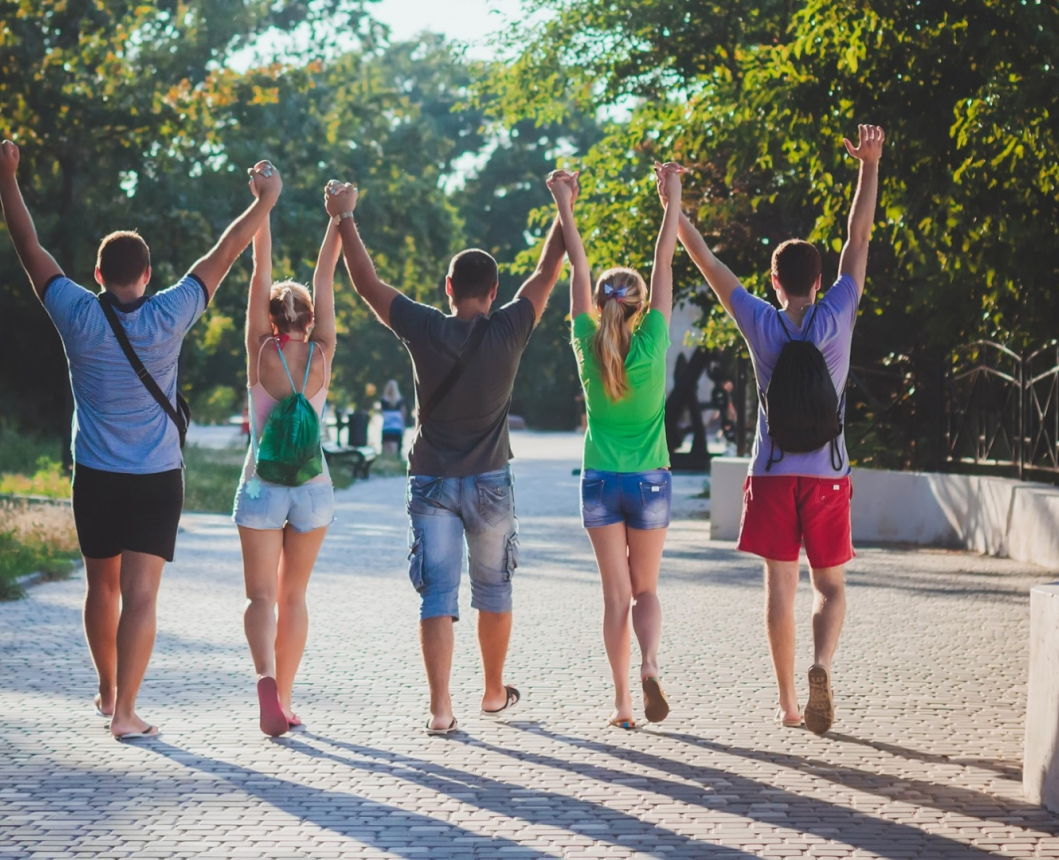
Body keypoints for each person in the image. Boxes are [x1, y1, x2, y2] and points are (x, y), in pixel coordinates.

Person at [0, 140, 282, 740]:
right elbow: (224, 252)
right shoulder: (170, 313)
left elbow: (28, 247)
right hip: (155, 479)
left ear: (98, 275)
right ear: (147, 275)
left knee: (102, 585)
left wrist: (6, 178)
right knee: (142, 593)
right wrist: (264, 202)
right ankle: (126, 713)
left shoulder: (76, 312)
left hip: (93, 475)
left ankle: (105, 687)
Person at [326, 179, 567, 734]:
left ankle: (440, 708)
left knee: (437, 593)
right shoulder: (511, 327)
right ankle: (490, 691)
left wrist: (344, 218)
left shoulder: (425, 327)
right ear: (494, 289)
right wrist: (562, 209)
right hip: (489, 483)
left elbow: (366, 284)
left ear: (449, 286)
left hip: (431, 479)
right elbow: (548, 270)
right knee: (495, 589)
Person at [675, 125, 884, 735]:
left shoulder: (761, 322)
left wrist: (677, 208)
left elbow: (708, 263)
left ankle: (790, 702)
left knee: (778, 590)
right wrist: (867, 165)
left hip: (770, 473)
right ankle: (822, 663)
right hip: (828, 472)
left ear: (774, 282)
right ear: (818, 281)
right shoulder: (839, 311)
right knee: (831, 587)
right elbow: (858, 236)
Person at [548, 163, 682, 729]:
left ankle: (624, 703)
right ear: (641, 304)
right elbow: (664, 259)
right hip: (650, 478)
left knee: (615, 597)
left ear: (601, 304)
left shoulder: (585, 342)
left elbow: (577, 265)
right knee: (646, 591)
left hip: (601, 479)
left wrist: (566, 205)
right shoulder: (653, 337)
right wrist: (670, 198)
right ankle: (651, 663)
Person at [232, 182, 345, 736]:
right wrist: (336, 219)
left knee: (260, 595)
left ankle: (265, 685)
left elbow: (260, 271)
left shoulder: (259, 350)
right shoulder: (322, 353)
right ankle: (288, 698)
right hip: (313, 486)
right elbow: (325, 278)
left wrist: (265, 205)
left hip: (260, 483)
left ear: (273, 316)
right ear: (309, 317)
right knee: (294, 595)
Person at [380, 379, 406, 458]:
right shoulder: (400, 400)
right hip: (397, 426)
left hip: (387, 426)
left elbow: (381, 412)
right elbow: (403, 414)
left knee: (386, 448)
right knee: (396, 449)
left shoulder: (383, 400)